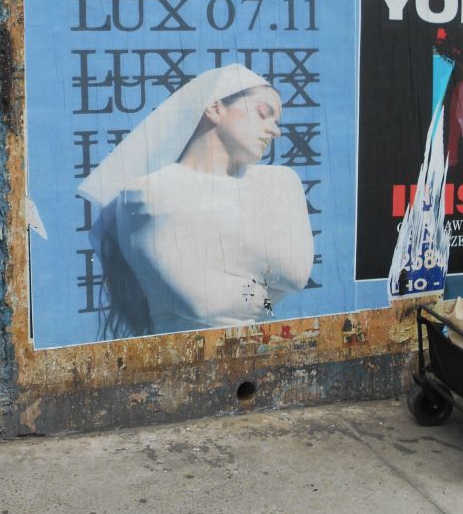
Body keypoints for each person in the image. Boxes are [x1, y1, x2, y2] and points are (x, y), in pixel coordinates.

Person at [78, 64, 314, 338]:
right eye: (263, 114)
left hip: (264, 348)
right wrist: (264, 272)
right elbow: (204, 303)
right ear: (214, 109)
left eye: (276, 121)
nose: (275, 131)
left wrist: (212, 247)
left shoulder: (280, 181)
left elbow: (296, 274)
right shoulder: (148, 192)